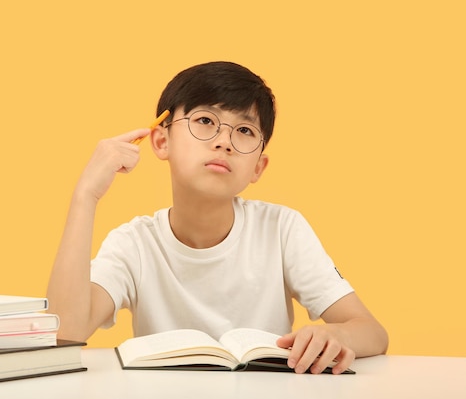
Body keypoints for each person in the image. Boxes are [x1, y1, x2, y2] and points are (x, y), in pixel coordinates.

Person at [47, 61, 388, 375]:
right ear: (161, 141)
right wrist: (85, 196)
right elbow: (66, 332)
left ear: (258, 167)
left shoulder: (282, 228)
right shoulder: (134, 243)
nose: (224, 141)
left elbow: (372, 333)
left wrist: (333, 334)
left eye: (244, 131)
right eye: (206, 121)